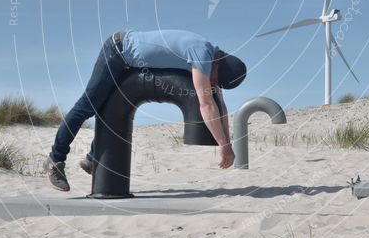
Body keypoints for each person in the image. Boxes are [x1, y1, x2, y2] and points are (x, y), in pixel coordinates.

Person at [47, 29, 247, 191]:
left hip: (137, 62)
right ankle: (55, 160)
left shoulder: (212, 58)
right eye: (215, 79)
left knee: (113, 108)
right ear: (218, 66)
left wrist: (227, 142)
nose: (213, 83)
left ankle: (92, 159)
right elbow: (206, 104)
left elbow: (219, 104)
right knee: (87, 107)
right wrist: (223, 146)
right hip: (119, 50)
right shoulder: (202, 55)